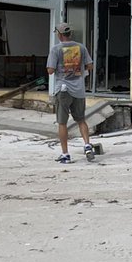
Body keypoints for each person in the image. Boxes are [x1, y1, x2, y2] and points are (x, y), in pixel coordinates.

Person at [46, 22, 94, 164]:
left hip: (63, 90)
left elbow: (50, 70)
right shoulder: (81, 47)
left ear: (59, 35)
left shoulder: (56, 49)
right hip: (79, 89)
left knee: (62, 123)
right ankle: (87, 145)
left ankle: (65, 154)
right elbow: (90, 66)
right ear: (70, 34)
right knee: (81, 120)